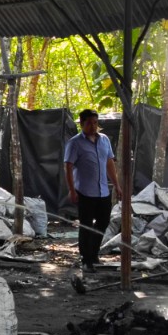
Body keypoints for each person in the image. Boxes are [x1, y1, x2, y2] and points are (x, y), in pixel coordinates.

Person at [64, 109, 122, 273]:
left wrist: (116, 185)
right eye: (89, 123)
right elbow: (68, 167)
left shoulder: (104, 140)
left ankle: (94, 254)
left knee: (103, 222)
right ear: (82, 123)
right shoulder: (75, 143)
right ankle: (86, 260)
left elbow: (109, 163)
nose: (93, 126)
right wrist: (72, 190)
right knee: (86, 225)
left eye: (95, 123)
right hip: (84, 191)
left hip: (103, 191)